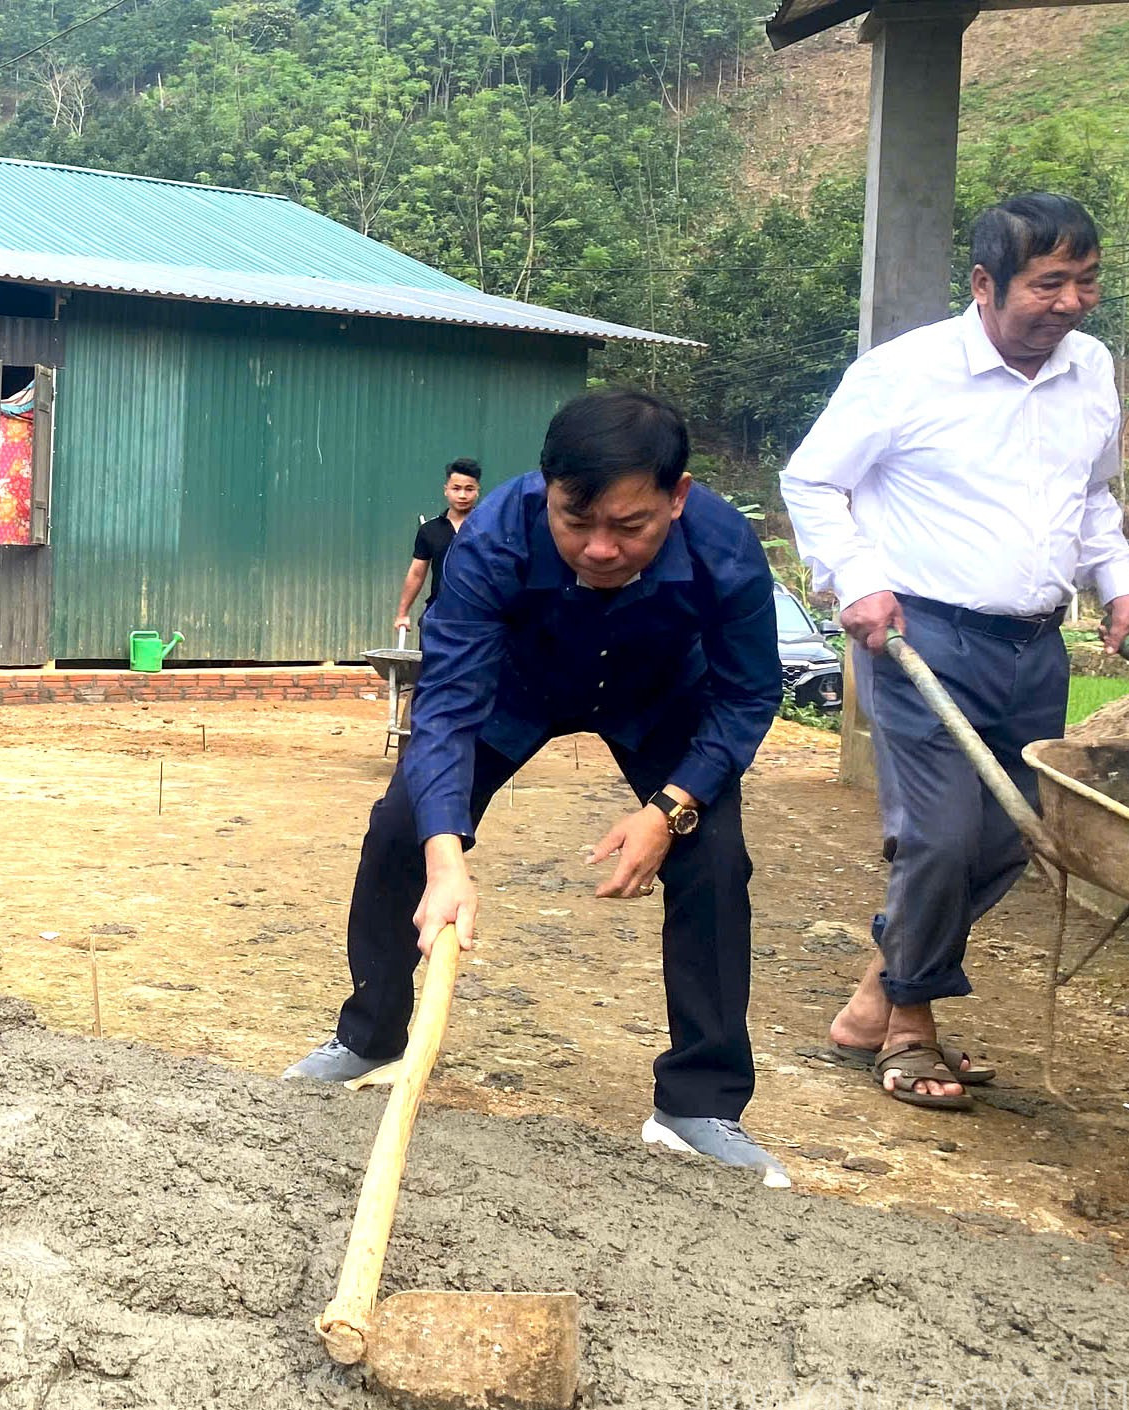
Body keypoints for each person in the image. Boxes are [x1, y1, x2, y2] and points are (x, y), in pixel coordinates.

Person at [285, 389, 791, 1189]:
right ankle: (370, 1037)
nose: (599, 549)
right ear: (546, 489)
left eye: (630, 527)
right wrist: (445, 856)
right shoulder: (490, 536)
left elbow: (748, 694)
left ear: (678, 495)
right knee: (400, 826)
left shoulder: (724, 543)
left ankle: (697, 1104)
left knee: (716, 860)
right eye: (573, 522)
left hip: (660, 699)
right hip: (512, 692)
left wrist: (671, 805)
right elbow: (447, 701)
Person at [779, 192, 1129, 1113]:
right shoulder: (906, 374)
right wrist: (855, 579)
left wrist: (1120, 577)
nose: (1069, 304)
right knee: (938, 837)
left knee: (1014, 839)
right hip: (919, 637)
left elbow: (1095, 498)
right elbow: (813, 480)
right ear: (984, 284)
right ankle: (911, 1026)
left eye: (1085, 282)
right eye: (1047, 284)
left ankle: (872, 1000)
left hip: (1034, 642)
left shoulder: (1093, 370)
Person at [394, 457, 481, 632]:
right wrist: (402, 613)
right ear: (446, 490)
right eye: (456, 488)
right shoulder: (430, 530)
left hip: (480, 618)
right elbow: (417, 573)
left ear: (477, 491)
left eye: (469, 489)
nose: (462, 495)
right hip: (439, 617)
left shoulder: (490, 527)